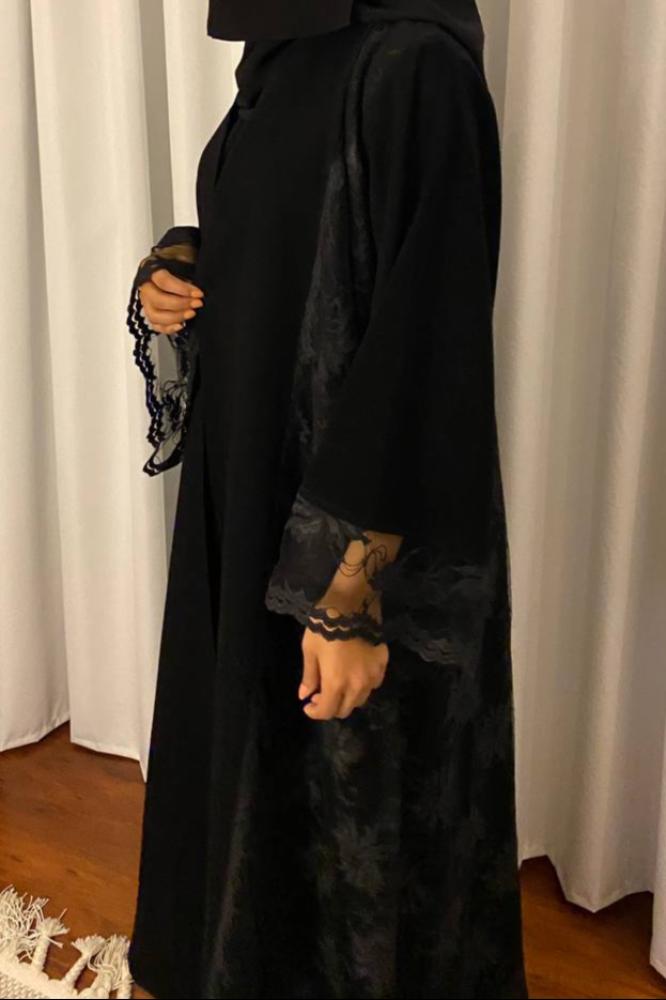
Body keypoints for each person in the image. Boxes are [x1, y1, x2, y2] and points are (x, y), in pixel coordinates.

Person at [125, 1, 529, 997]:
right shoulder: (286, 50)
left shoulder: (416, 65)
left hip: (353, 529)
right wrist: (184, 265)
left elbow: (427, 341)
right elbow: (289, 235)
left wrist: (347, 594)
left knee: (356, 828)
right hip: (253, 494)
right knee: (254, 801)